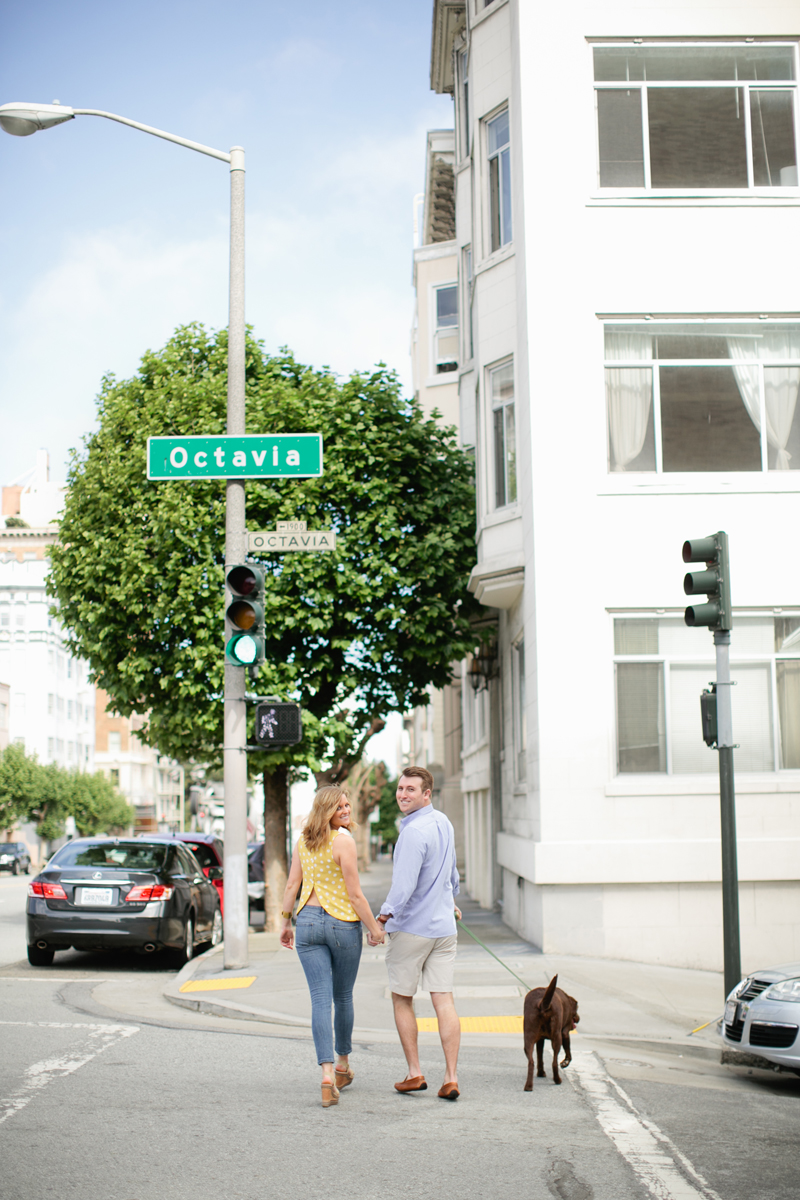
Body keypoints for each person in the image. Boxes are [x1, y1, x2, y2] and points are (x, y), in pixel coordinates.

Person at [279, 785, 385, 1108]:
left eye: (348, 804)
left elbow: (292, 884)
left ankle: (326, 1076)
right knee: (341, 996)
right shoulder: (344, 843)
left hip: (308, 923)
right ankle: (341, 1065)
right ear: (326, 810)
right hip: (342, 925)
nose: (347, 809)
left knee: (320, 1000)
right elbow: (355, 895)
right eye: (340, 806)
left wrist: (285, 922)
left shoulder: (303, 842)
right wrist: (375, 928)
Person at [369, 766, 462, 1100]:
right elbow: (451, 874)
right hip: (444, 929)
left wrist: (381, 919)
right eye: (400, 788)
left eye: (411, 789)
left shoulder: (411, 832)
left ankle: (415, 1072)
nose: (403, 794)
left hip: (412, 929)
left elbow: (403, 887)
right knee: (444, 999)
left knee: (402, 998)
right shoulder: (444, 823)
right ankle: (450, 1077)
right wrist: (450, 901)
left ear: (427, 794)